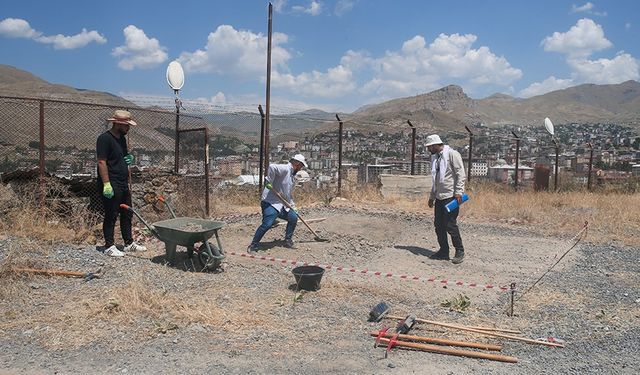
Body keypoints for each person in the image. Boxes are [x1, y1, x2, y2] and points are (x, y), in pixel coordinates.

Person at [96, 109, 146, 257]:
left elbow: (123, 156)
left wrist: (128, 158)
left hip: (123, 182)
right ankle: (109, 246)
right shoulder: (104, 139)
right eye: (126, 126)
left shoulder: (121, 139)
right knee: (111, 214)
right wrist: (106, 184)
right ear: (118, 124)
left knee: (127, 213)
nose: (128, 128)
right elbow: (101, 162)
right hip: (111, 183)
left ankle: (128, 243)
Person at [247, 154, 308, 253]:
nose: (301, 168)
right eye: (301, 166)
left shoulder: (292, 176)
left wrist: (293, 206)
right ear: (297, 163)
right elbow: (272, 167)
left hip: (283, 204)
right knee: (267, 224)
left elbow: (288, 194)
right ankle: (253, 245)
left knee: (293, 217)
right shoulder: (285, 169)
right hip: (271, 202)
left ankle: (287, 240)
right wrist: (269, 181)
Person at [426, 134, 467, 264]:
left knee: (450, 225)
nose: (428, 149)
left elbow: (461, 174)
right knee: (439, 225)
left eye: (429, 147)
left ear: (435, 145)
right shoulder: (435, 158)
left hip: (451, 196)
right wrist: (432, 197)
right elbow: (436, 179)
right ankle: (444, 251)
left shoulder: (452, 154)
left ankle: (459, 250)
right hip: (439, 197)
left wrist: (459, 192)